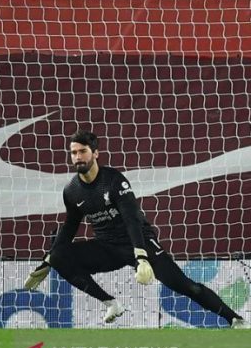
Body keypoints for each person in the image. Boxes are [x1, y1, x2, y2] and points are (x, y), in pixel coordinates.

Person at [24, 129, 248, 328]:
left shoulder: (113, 181)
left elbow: (132, 219)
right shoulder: (72, 190)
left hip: (138, 241)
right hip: (107, 247)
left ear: (95, 153)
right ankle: (111, 303)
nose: (77, 157)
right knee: (61, 255)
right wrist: (47, 261)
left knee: (187, 287)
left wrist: (141, 256)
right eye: (73, 153)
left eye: (82, 151)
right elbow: (70, 226)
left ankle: (236, 320)